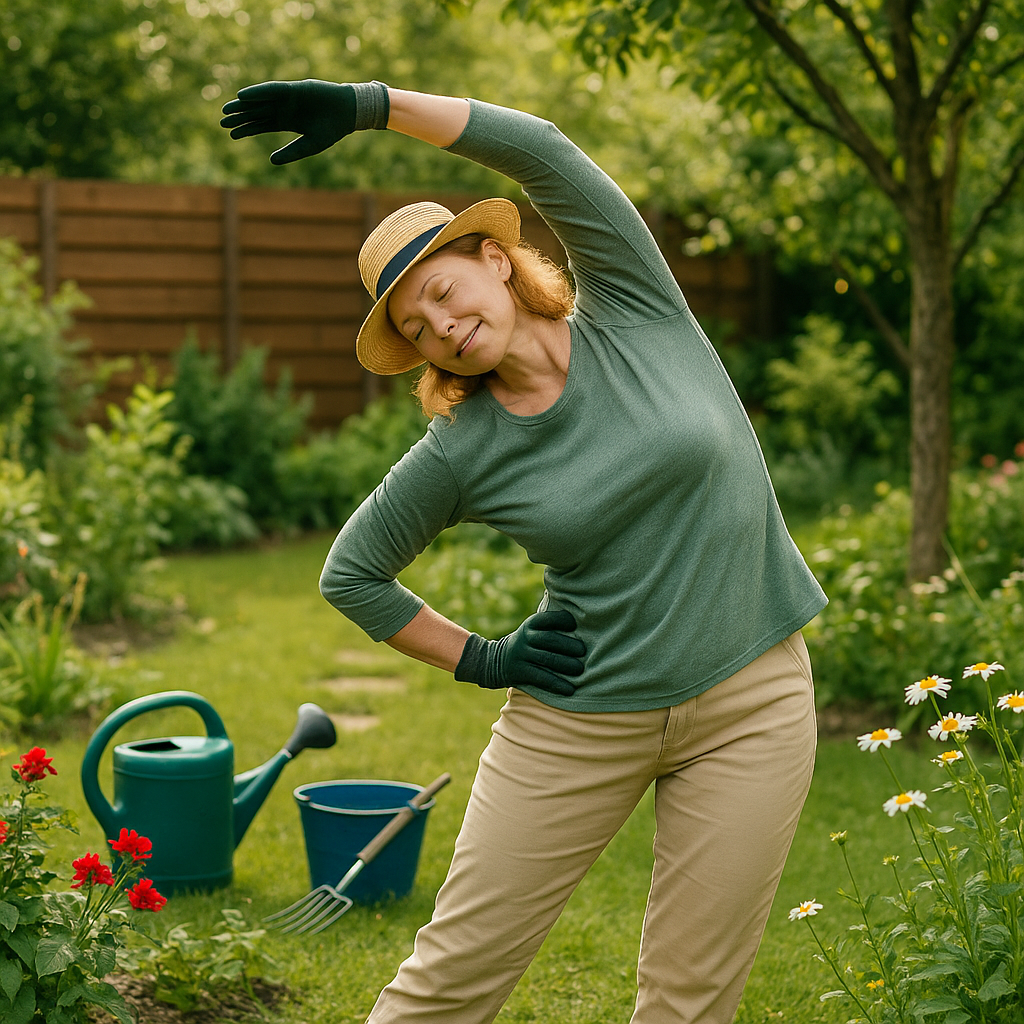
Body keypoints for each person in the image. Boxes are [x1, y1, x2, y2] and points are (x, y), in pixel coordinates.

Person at [221, 79, 828, 1024]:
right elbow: (354, 573)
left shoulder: (635, 307)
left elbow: (542, 149)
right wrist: (483, 658)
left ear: (496, 260)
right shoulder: (464, 447)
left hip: (753, 702)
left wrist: (373, 104)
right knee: (449, 983)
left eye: (440, 291)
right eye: (416, 329)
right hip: (577, 721)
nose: (440, 326)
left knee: (691, 1000)